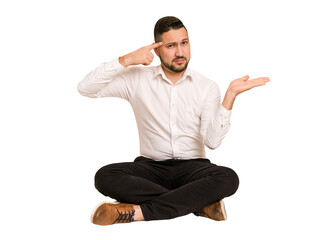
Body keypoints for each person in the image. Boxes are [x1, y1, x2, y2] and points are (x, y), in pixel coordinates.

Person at [78, 16, 269, 226]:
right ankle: (198, 204)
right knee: (105, 176)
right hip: (151, 169)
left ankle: (136, 212)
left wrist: (230, 97)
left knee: (228, 178)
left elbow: (212, 142)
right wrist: (126, 60)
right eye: (171, 46)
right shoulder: (136, 79)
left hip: (193, 169)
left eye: (184, 43)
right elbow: (86, 88)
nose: (180, 52)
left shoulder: (206, 86)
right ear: (157, 50)